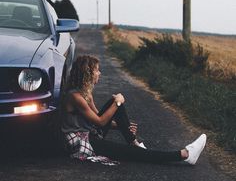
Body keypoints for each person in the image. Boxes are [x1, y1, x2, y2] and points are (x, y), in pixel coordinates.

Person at [61, 55, 207, 165]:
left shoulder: (86, 94)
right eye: (97, 70)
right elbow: (100, 122)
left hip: (90, 134)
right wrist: (118, 102)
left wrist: (122, 126)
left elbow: (99, 120)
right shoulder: (75, 96)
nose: (99, 73)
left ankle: (134, 143)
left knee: (114, 103)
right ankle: (185, 155)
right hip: (81, 143)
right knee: (132, 153)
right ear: (87, 73)